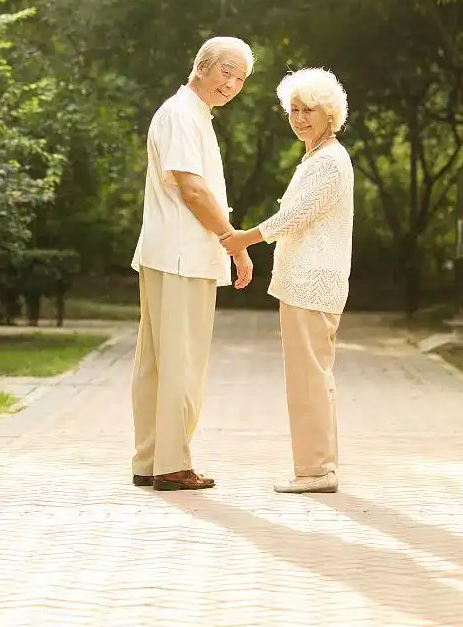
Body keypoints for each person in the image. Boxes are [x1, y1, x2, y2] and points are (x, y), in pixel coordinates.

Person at [130, 36, 255, 491]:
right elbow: (193, 189)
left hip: (172, 254)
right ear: (201, 65)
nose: (233, 83)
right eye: (227, 71)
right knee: (179, 363)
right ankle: (171, 464)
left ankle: (151, 459)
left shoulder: (189, 114)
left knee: (159, 363)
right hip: (181, 256)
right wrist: (234, 242)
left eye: (241, 78)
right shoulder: (182, 114)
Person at [221, 68, 353, 493]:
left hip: (311, 284)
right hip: (305, 283)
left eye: (307, 110)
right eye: (293, 110)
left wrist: (245, 238)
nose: (298, 118)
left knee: (308, 378)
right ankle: (318, 467)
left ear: (329, 112)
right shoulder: (318, 157)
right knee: (310, 376)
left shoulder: (329, 162)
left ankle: (316, 471)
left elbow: (295, 216)